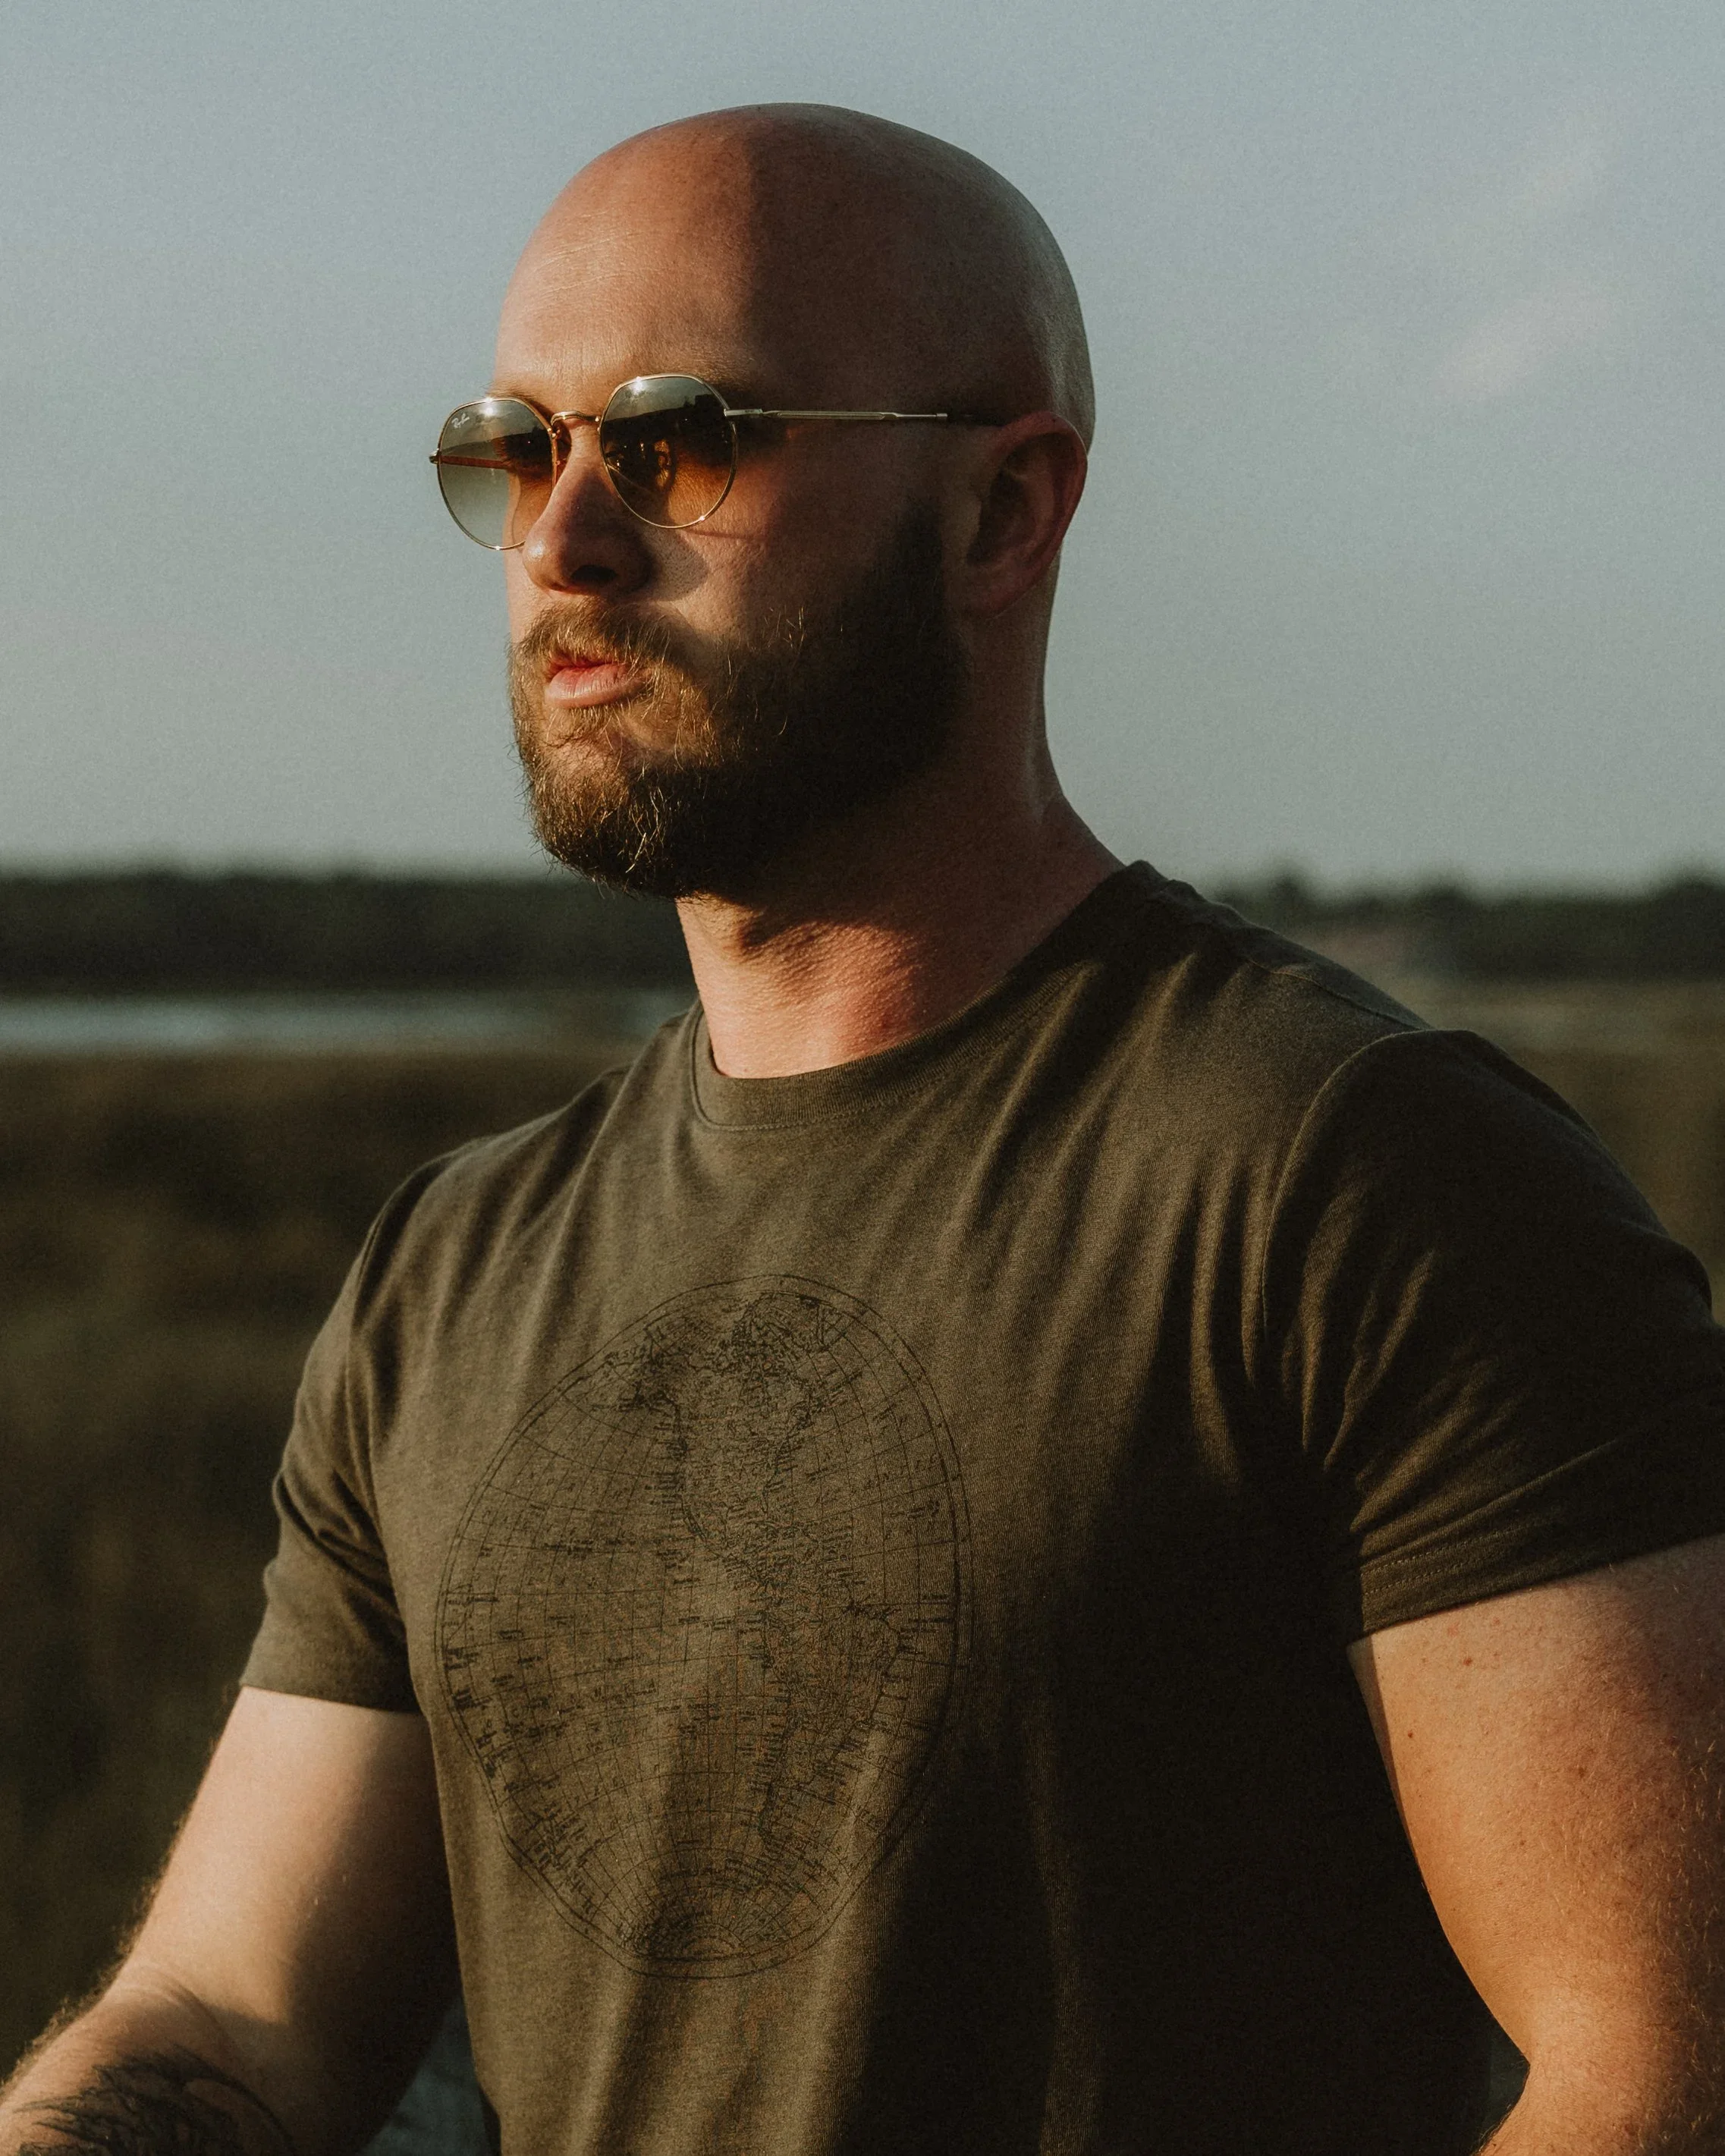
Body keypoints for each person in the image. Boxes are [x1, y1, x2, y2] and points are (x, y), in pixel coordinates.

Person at [7, 101, 1725, 2156]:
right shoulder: (452, 1275)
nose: (565, 538)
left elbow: (1659, 2065)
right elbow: (226, 2027)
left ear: (1004, 514)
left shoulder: (1359, 1185)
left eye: (680, 435)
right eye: (512, 451)